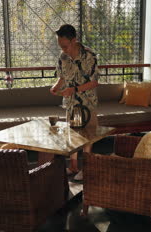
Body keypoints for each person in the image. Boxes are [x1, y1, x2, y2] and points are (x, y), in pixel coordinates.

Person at [50, 24, 99, 181]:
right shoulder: (63, 57)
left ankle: (87, 169)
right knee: (72, 136)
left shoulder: (89, 56)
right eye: (60, 46)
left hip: (87, 103)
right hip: (70, 103)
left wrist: (74, 89)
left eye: (65, 45)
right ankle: (73, 166)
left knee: (88, 136)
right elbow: (63, 77)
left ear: (74, 40)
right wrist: (56, 86)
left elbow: (94, 82)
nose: (63, 49)